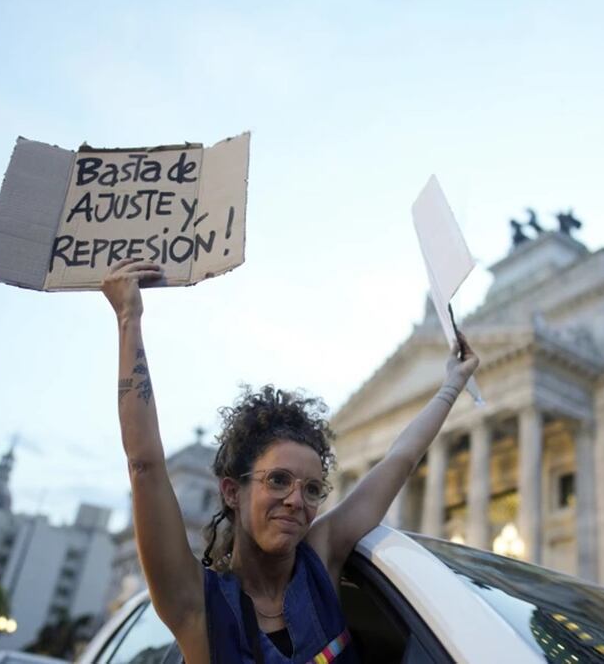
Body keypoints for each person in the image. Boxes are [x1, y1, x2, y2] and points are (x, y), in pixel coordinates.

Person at [101, 258, 480, 663]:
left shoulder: (321, 560)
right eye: (278, 480)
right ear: (233, 490)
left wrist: (452, 384)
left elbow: (400, 460)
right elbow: (145, 464)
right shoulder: (197, 603)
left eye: (312, 488)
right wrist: (129, 317)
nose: (297, 501)